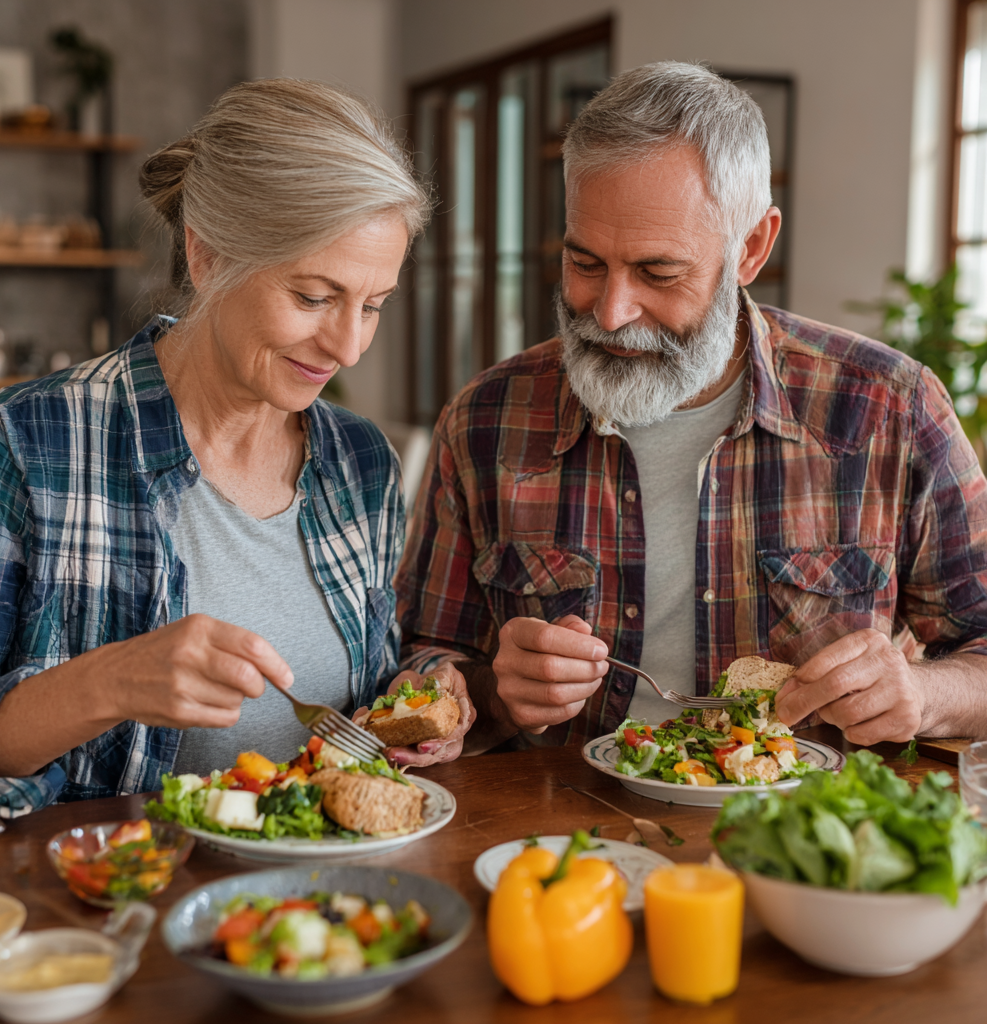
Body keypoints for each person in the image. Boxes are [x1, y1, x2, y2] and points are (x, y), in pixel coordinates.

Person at [396, 61, 987, 754]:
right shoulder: (486, 420)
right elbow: (423, 657)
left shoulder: (890, 409)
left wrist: (921, 693)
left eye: (658, 272)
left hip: (798, 844)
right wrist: (491, 694)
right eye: (585, 263)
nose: (611, 314)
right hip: (560, 842)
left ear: (752, 249)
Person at [0, 79, 471, 817]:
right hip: (109, 905)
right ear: (206, 256)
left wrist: (415, 701)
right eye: (314, 297)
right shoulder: (30, 440)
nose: (348, 347)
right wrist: (112, 681)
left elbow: (368, 691)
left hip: (327, 911)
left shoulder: (362, 463)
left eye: (372, 308)